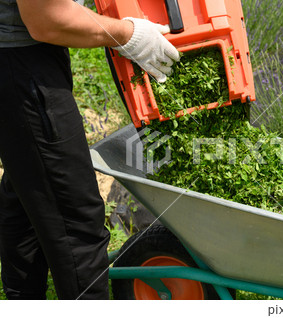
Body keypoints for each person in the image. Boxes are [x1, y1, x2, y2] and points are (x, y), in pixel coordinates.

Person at [0, 0, 180, 300]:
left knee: (29, 191)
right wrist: (127, 34)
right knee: (75, 223)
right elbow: (48, 20)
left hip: (24, 55)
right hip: (22, 67)